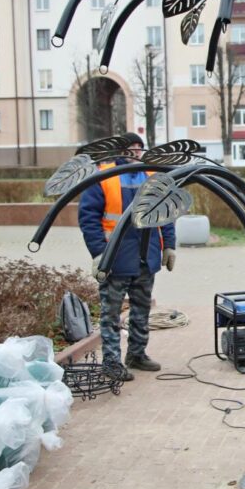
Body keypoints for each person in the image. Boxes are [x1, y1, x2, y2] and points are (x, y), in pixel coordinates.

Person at [78, 133, 176, 381]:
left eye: (140, 148)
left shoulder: (152, 176)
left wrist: (169, 246)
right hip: (116, 259)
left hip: (146, 257)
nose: (136, 153)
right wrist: (98, 253)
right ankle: (112, 362)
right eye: (132, 148)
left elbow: (166, 214)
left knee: (141, 310)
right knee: (111, 314)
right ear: (121, 151)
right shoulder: (104, 177)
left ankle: (136, 354)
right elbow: (88, 218)